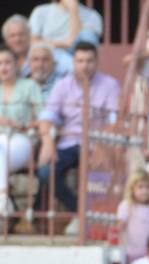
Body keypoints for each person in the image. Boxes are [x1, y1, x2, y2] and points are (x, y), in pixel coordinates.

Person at [36, 42, 117, 216]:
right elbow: (47, 116)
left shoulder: (110, 84)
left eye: (89, 61)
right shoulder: (63, 85)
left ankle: (94, 217)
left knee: (106, 176)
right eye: (80, 61)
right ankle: (80, 212)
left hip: (98, 145)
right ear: (73, 62)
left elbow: (113, 121)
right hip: (69, 143)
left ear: (96, 62)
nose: (85, 66)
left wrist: (104, 147)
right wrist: (47, 142)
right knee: (45, 172)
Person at [0, 46, 40, 216]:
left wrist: (24, 125)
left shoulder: (29, 86)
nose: (3, 67)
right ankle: (2, 199)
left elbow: (42, 117)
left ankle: (3, 198)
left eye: (8, 62)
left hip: (21, 139)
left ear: (17, 65)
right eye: (0, 63)